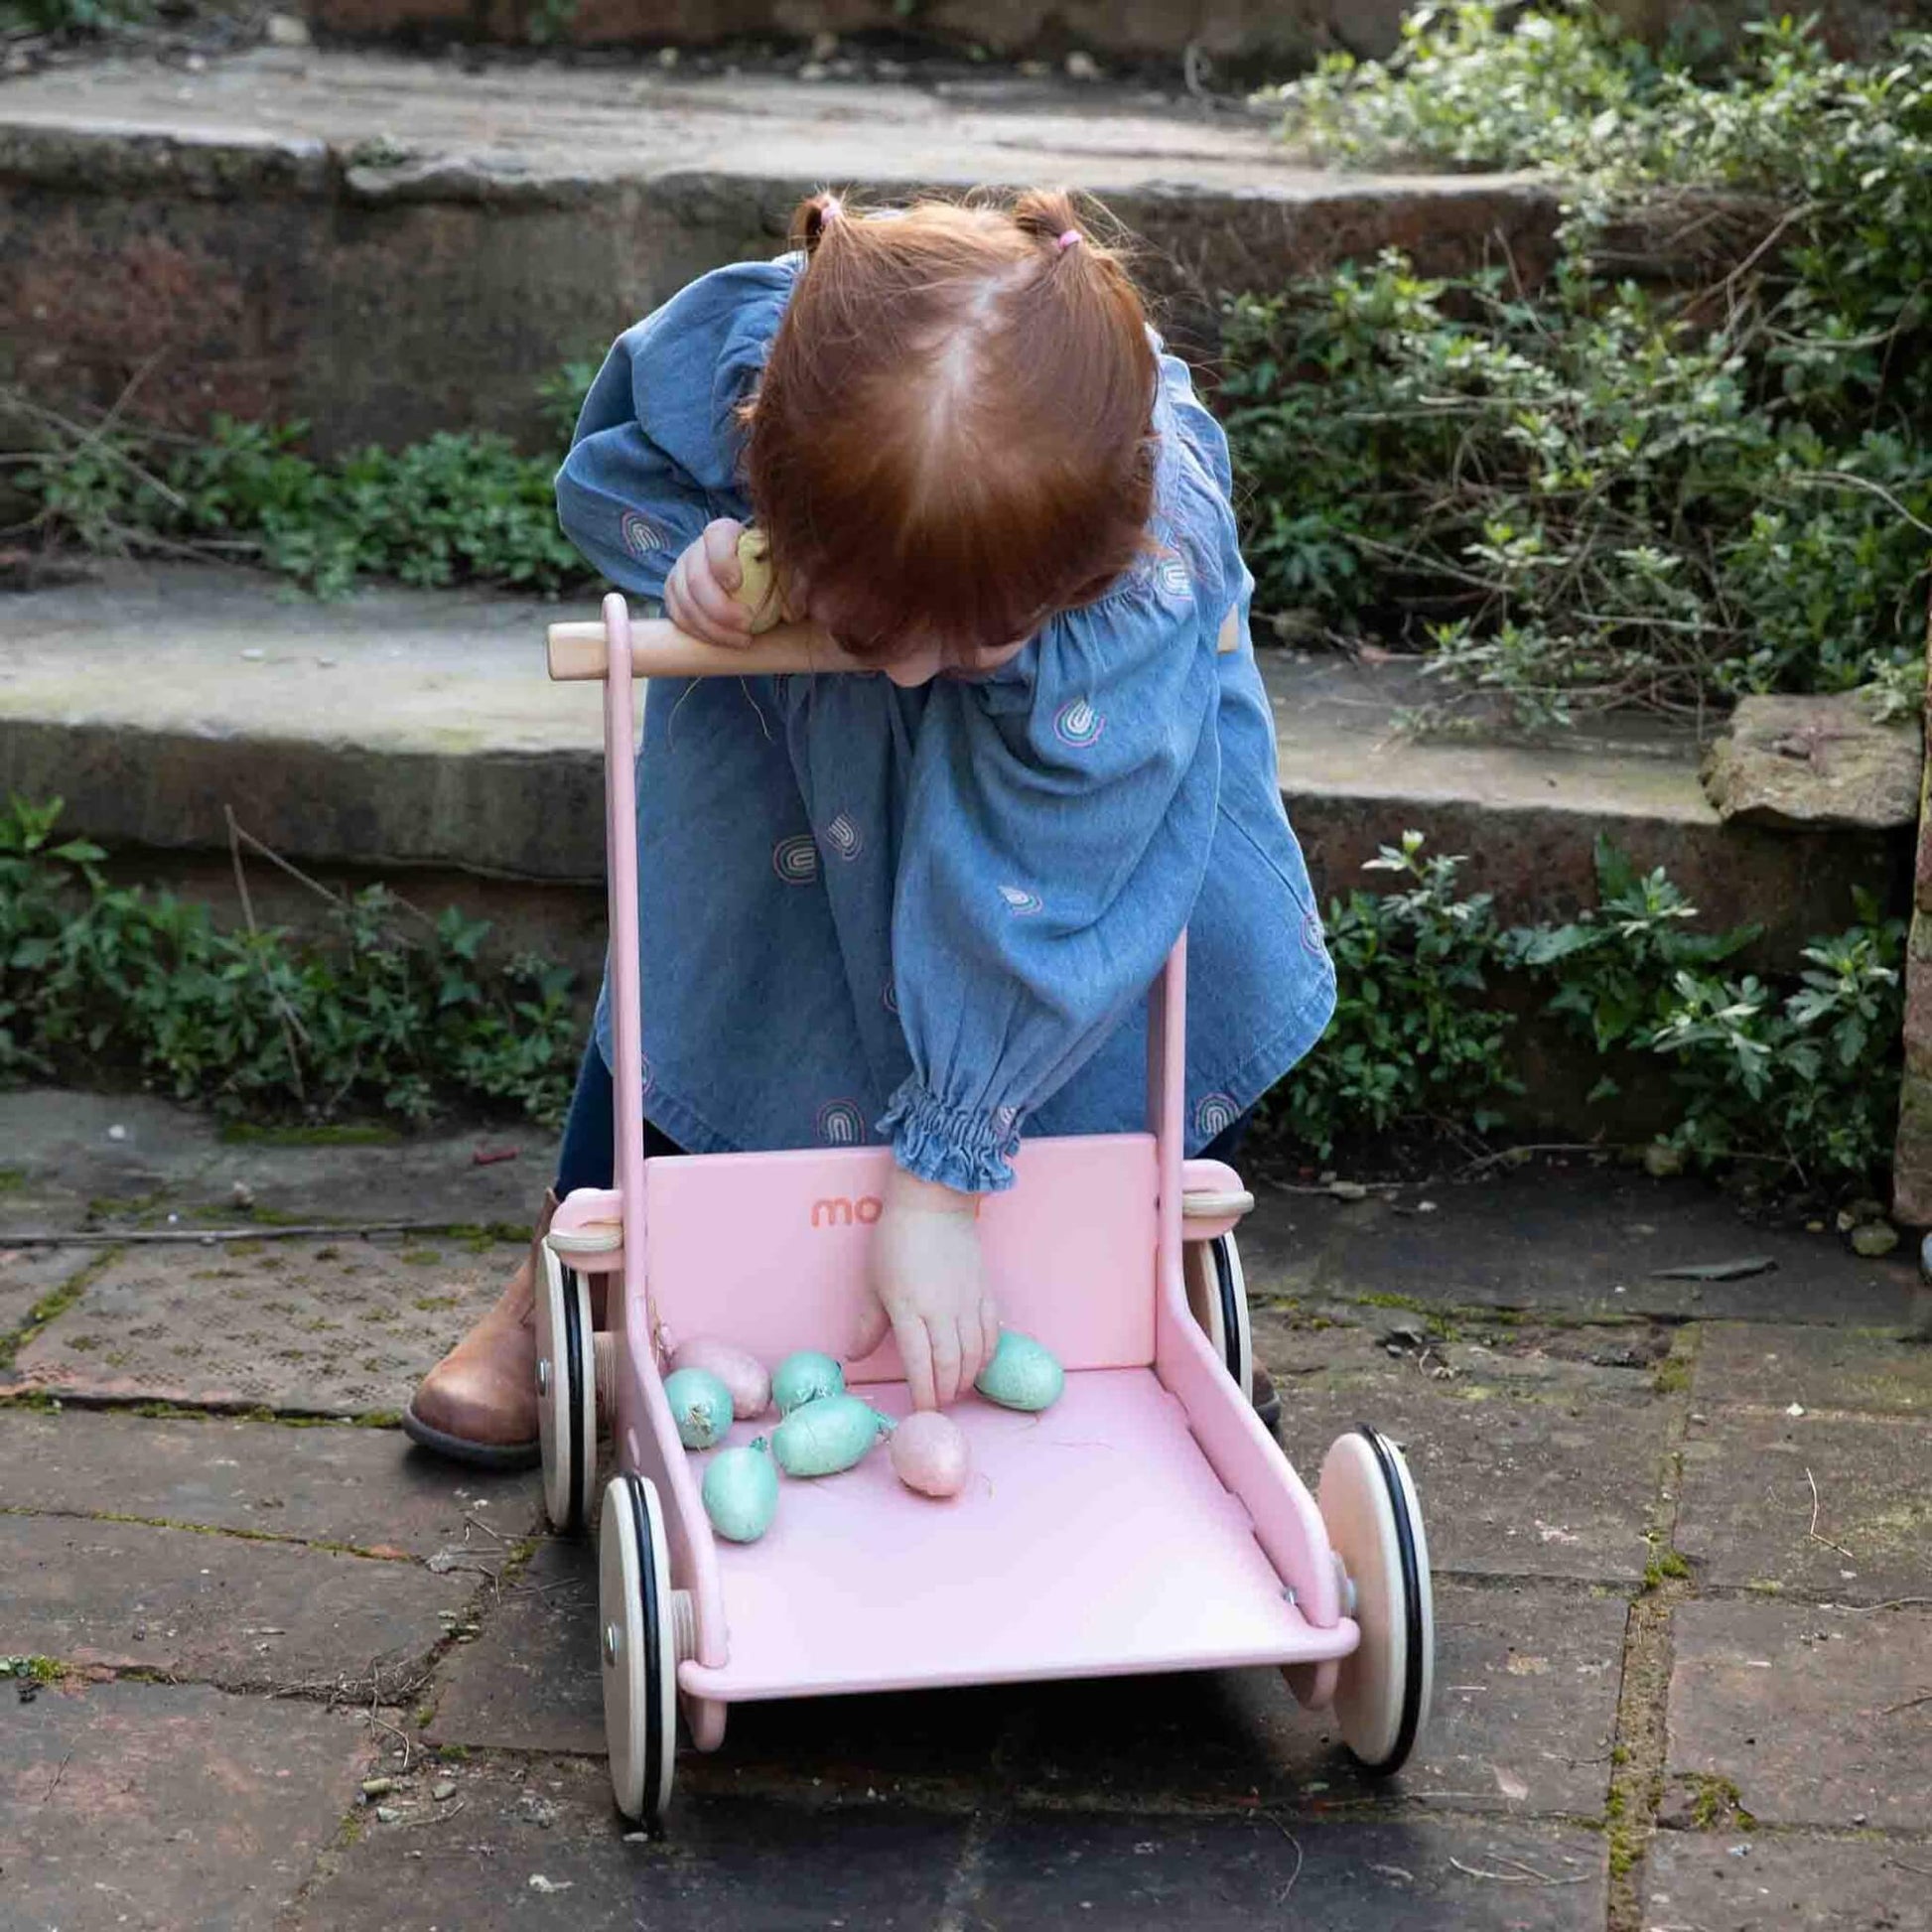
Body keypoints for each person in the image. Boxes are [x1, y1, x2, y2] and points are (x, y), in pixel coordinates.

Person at [402, 188, 1336, 1468]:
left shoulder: (1132, 573)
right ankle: (585, 1266)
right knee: (713, 961)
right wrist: (711, 552)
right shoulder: (781, 373)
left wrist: (941, 1170)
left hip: (1082, 837)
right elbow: (622, 462)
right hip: (795, 778)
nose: (911, 673)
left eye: (974, 639)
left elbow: (1048, 901)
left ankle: (1147, 1274)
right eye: (871, 627)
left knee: (1153, 988)